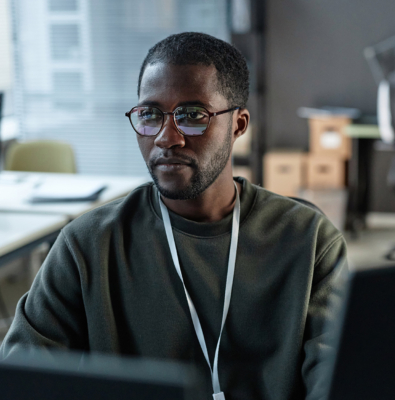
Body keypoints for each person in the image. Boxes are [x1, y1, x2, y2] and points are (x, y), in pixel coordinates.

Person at [0, 32, 348, 399]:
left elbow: (340, 379)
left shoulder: (307, 240)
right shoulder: (88, 245)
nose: (167, 137)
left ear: (239, 125)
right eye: (150, 114)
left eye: (193, 115)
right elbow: (22, 378)